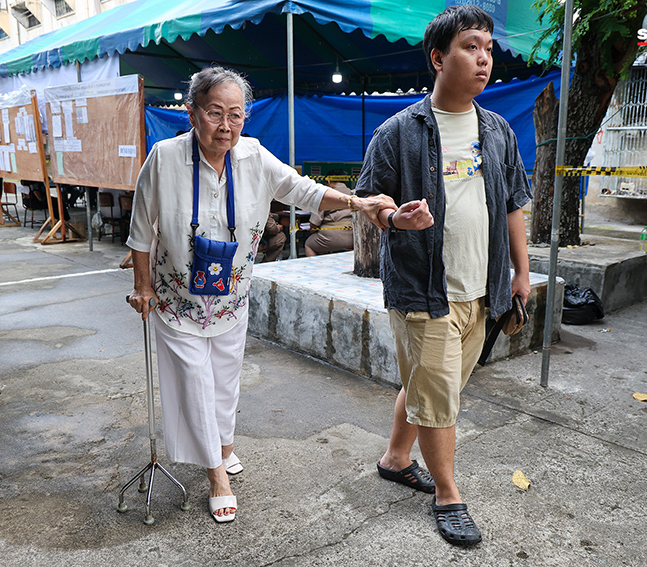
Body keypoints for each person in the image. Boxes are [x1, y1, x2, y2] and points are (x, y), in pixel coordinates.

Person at [126, 66, 396, 524]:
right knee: (194, 380)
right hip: (176, 298)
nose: (226, 125)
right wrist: (142, 286)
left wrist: (357, 203)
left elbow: (303, 191)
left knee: (226, 380)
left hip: (231, 296)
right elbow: (140, 230)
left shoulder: (253, 156)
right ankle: (216, 475)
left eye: (236, 115)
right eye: (215, 113)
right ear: (192, 113)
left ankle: (223, 447)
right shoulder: (165, 157)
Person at [355, 5, 532, 547]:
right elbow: (367, 200)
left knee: (428, 387)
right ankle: (449, 495)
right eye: (470, 47)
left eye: (487, 47)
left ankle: (395, 457)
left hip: (483, 290)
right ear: (438, 57)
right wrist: (392, 217)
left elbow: (513, 206)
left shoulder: (497, 129)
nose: (484, 58)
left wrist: (521, 274)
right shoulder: (397, 133)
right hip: (424, 291)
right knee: (440, 399)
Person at [304, 170, 354, 256]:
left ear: (328, 181)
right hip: (352, 237)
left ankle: (315, 269)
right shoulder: (353, 194)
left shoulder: (325, 196)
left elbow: (314, 223)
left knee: (309, 244)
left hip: (329, 236)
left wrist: (315, 232)